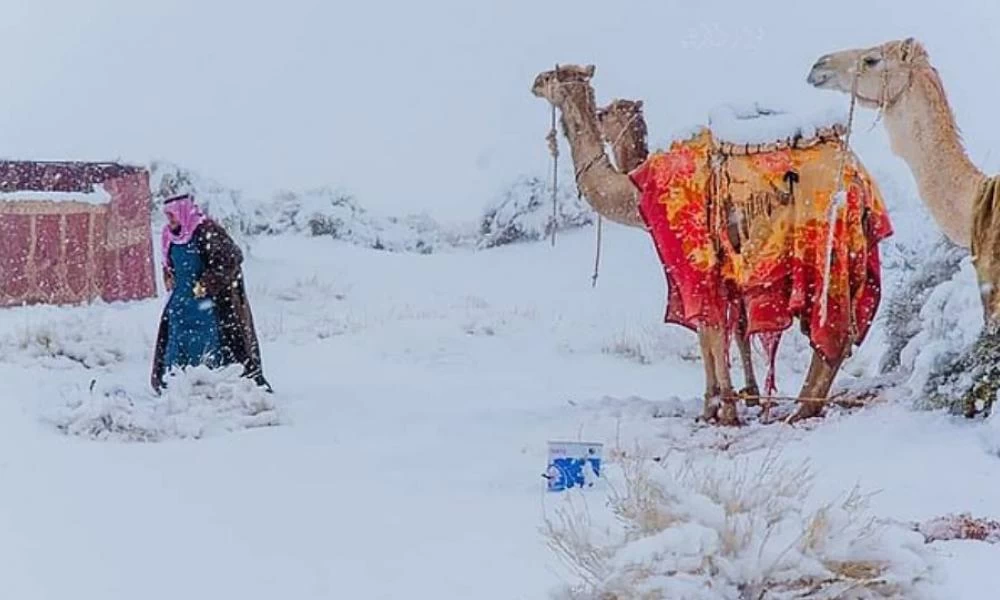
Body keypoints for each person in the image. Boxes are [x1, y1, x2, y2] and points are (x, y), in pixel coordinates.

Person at [150, 193, 271, 393]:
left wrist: (206, 283)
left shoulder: (206, 230)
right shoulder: (168, 235)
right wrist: (168, 275)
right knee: (176, 340)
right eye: (167, 215)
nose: (169, 220)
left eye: (172, 215)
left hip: (204, 303)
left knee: (205, 340)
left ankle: (210, 384)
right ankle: (174, 385)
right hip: (180, 300)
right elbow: (167, 262)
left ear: (183, 212)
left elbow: (231, 258)